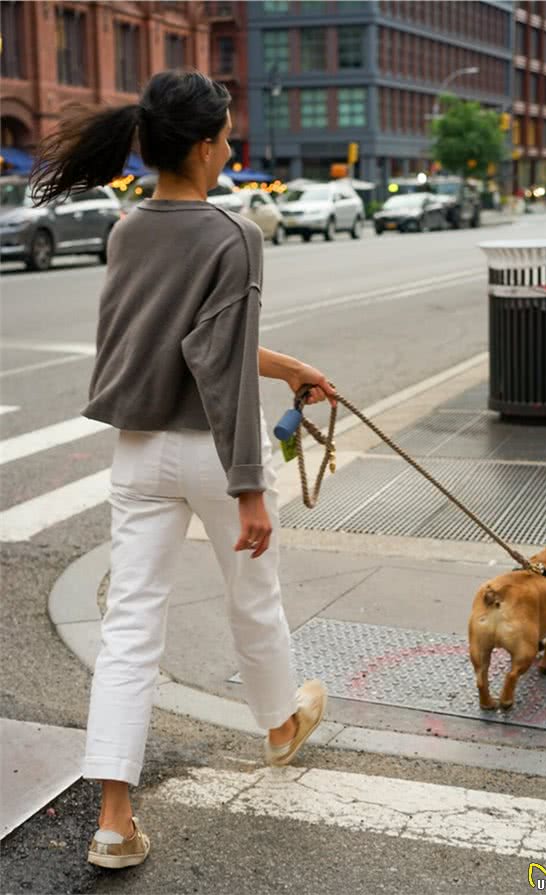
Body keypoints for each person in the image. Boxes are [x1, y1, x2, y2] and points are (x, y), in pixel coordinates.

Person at [31, 69, 336, 870]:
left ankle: (113, 821)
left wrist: (290, 366)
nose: (232, 147)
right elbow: (222, 367)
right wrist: (248, 486)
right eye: (227, 136)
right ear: (203, 148)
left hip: (137, 451)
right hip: (212, 448)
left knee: (130, 628)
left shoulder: (127, 229)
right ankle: (277, 725)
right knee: (254, 595)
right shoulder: (235, 236)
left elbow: (191, 347)